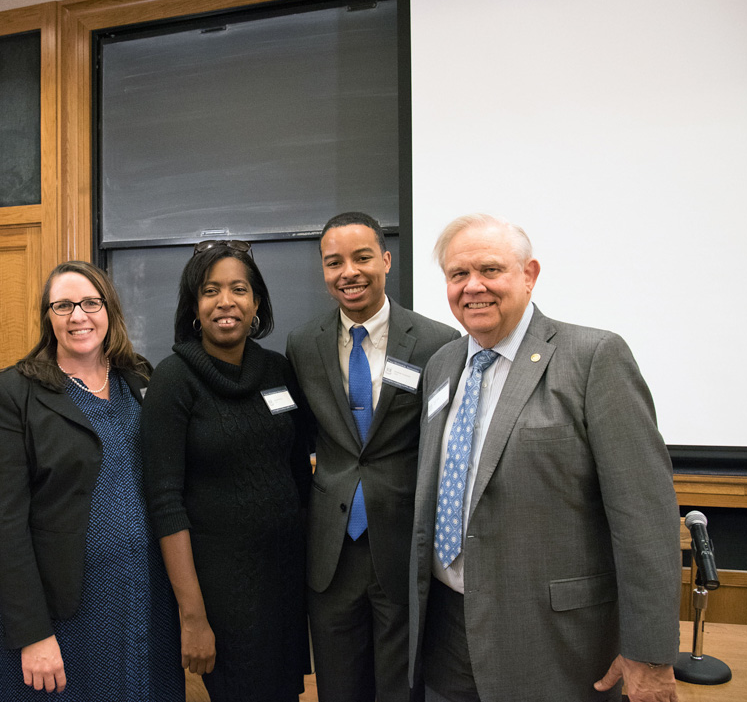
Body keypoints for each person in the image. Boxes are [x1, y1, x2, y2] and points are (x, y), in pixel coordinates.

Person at [408, 214, 680, 702]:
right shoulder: (443, 364)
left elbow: (644, 518)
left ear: (529, 275)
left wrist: (650, 653)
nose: (473, 287)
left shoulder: (594, 357)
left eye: (490, 270)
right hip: (446, 628)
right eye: (457, 275)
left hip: (554, 642)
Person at [0, 261, 183, 702]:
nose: (78, 316)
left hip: (146, 598)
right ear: (47, 317)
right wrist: (32, 633)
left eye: (91, 303)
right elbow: (3, 524)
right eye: (64, 305)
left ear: (109, 310)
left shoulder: (140, 378)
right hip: (64, 610)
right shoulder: (12, 393)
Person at [285, 212, 459, 702]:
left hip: (402, 545)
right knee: (338, 688)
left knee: (402, 688)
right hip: (331, 553)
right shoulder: (304, 344)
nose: (349, 272)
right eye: (333, 262)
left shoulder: (436, 342)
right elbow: (304, 438)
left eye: (362, 257)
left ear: (385, 259)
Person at [142, 240, 311, 701]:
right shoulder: (173, 380)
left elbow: (299, 476)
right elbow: (164, 501)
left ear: (256, 302)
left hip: (284, 582)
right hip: (220, 593)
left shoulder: (278, 370)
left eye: (239, 289)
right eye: (211, 290)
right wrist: (192, 615)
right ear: (195, 306)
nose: (226, 302)